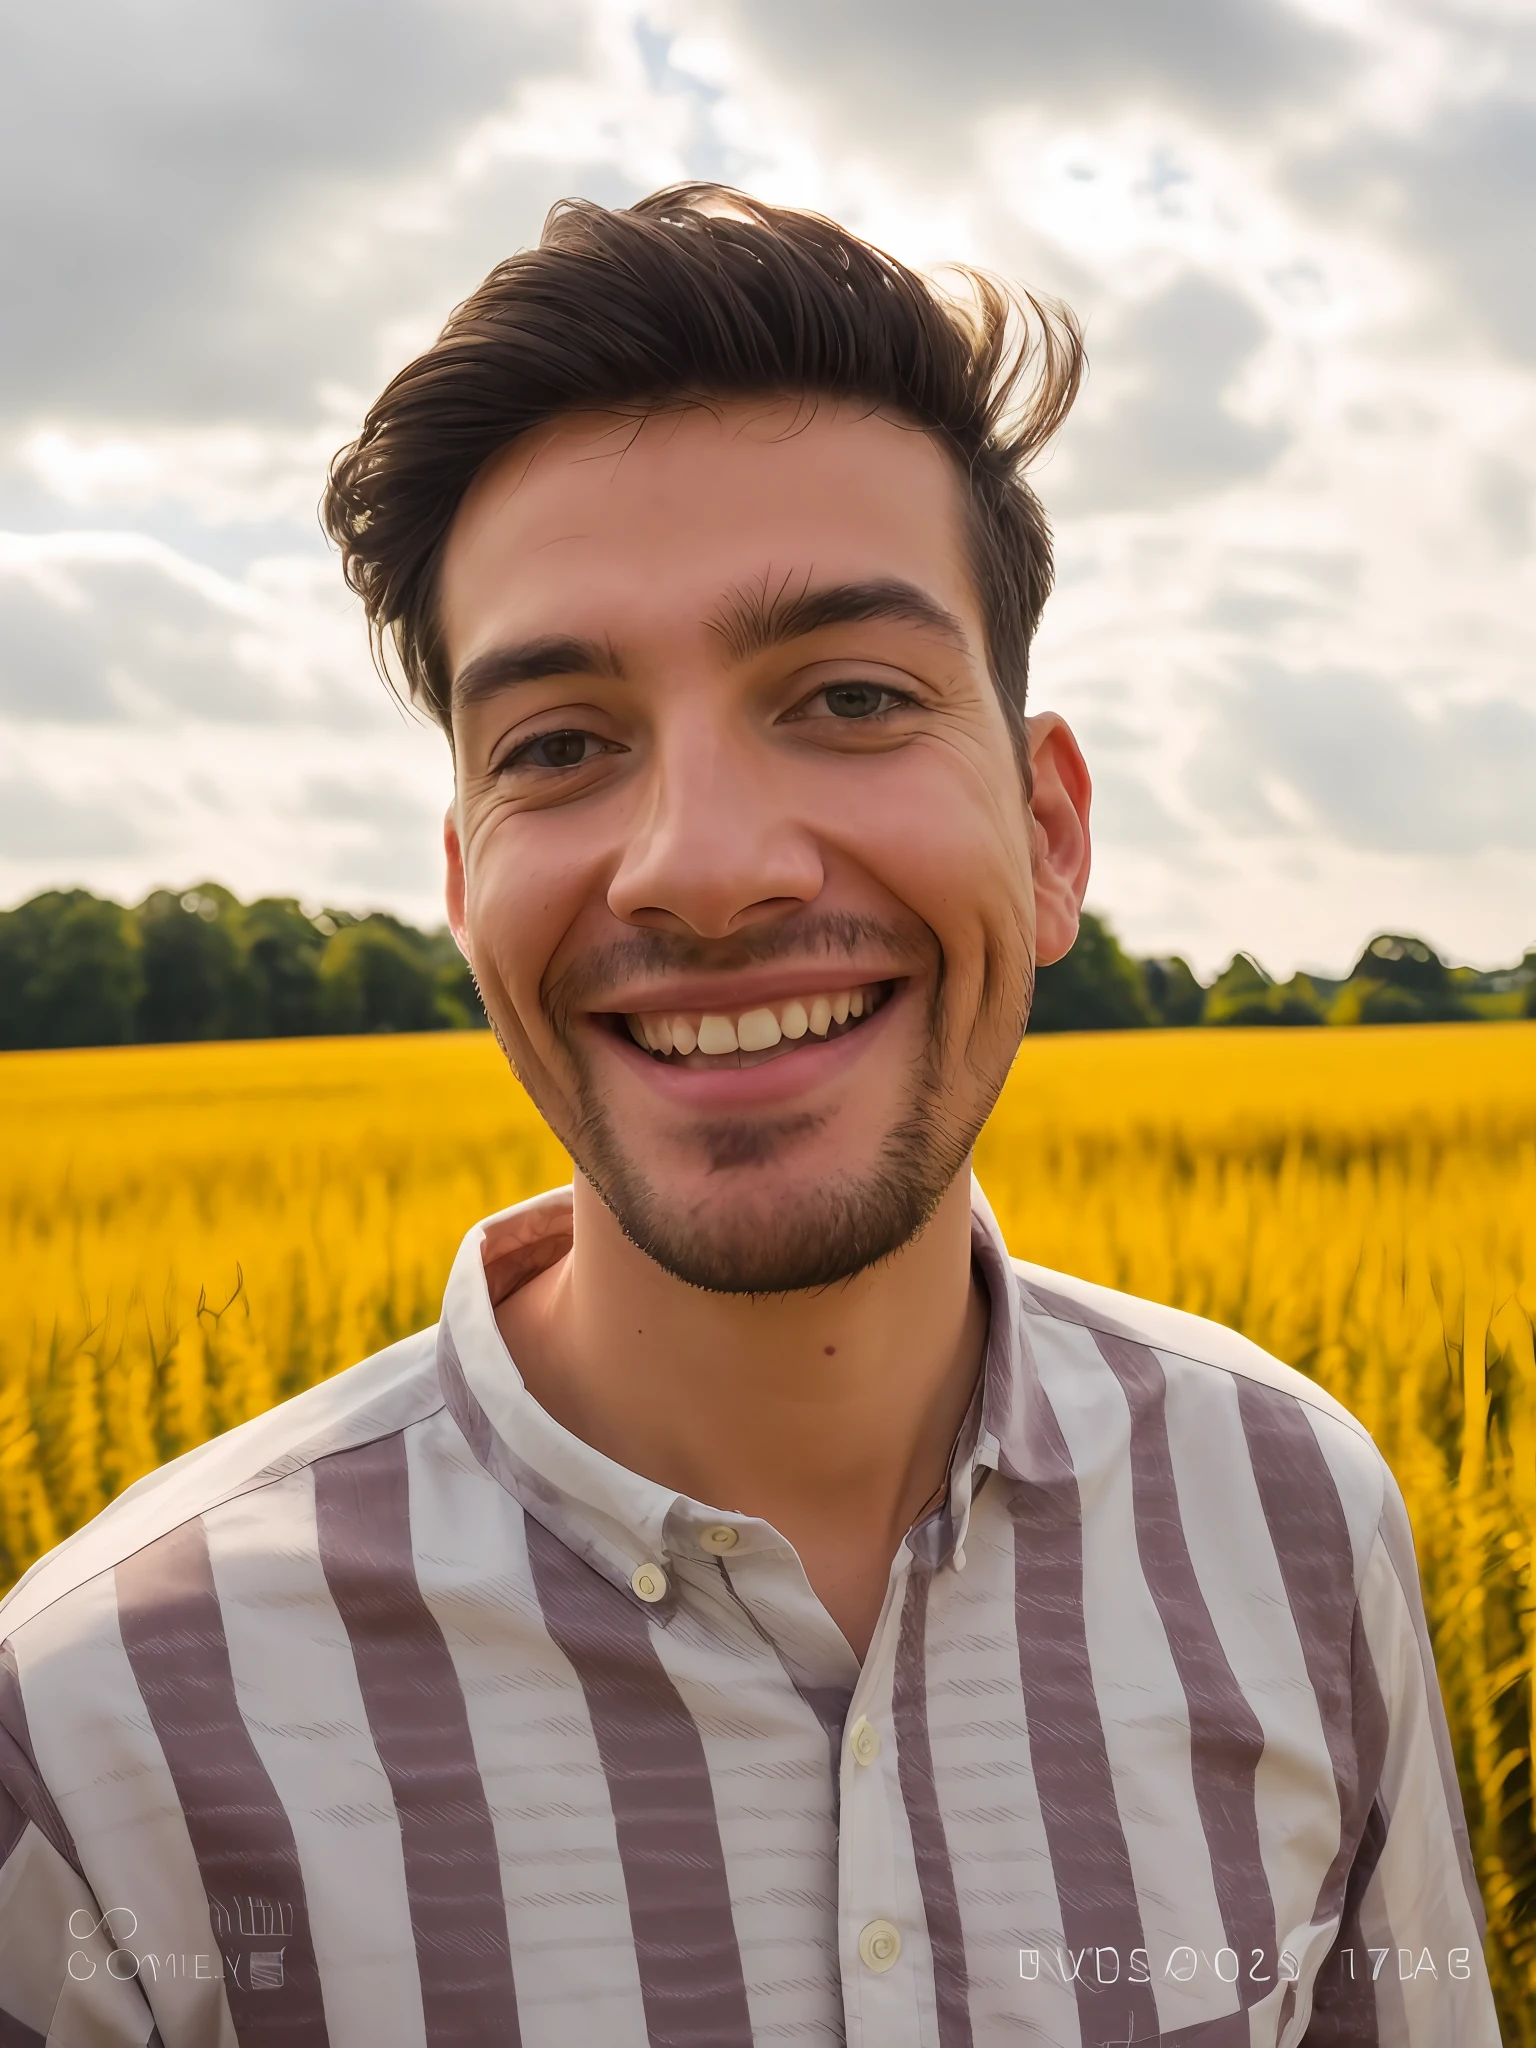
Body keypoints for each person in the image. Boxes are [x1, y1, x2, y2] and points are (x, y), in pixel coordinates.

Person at [0, 187, 1495, 2048]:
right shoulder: (101, 1724)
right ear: (467, 888)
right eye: (559, 741)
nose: (701, 868)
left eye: (852, 697)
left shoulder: (1292, 1524)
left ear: (1048, 835)